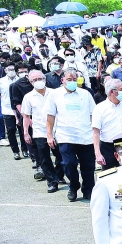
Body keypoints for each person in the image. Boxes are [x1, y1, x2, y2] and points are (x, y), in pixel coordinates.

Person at [46, 69, 97, 202]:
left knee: (88, 165)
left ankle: (88, 189)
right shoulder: (54, 94)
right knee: (69, 164)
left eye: (75, 79)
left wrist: (96, 134)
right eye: (69, 79)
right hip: (65, 135)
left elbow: (93, 115)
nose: (72, 82)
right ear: (62, 80)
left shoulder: (85, 94)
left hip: (85, 135)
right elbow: (50, 116)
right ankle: (73, 187)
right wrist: (49, 135)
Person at [20, 69, 63, 190]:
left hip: (57, 129)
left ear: (45, 79)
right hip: (39, 131)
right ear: (31, 82)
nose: (38, 81)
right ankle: (52, 181)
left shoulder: (54, 93)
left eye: (40, 79)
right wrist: (25, 133)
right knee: (44, 158)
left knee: (61, 156)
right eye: (35, 80)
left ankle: (59, 175)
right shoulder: (28, 97)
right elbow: (26, 116)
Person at [92, 78, 122, 170]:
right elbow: (95, 132)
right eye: (121, 90)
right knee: (109, 176)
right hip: (108, 147)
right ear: (112, 92)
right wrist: (97, 153)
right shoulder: (99, 108)